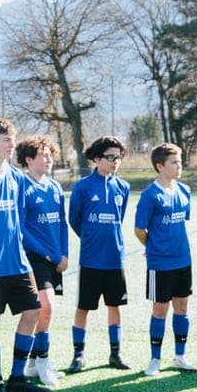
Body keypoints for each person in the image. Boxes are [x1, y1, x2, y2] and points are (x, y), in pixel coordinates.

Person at [0, 118, 50, 392]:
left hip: (17, 262)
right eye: (6, 139)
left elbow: (17, 219)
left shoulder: (16, 176)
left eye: (12, 139)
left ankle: (17, 377)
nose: (12, 144)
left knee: (32, 311)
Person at [66, 136, 131, 372]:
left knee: (115, 306)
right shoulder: (83, 186)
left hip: (115, 258)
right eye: (110, 157)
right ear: (96, 158)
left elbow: (119, 217)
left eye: (118, 157)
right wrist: (91, 237)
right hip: (91, 259)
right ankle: (78, 355)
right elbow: (74, 219)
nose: (115, 162)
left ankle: (115, 353)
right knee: (84, 307)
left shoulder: (123, 186)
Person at [134, 143, 196, 375]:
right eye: (174, 162)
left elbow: (181, 224)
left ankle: (180, 356)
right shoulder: (150, 195)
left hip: (183, 260)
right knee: (160, 309)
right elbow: (139, 229)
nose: (179, 166)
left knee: (182, 307)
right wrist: (152, 247)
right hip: (159, 264)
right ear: (160, 166)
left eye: (180, 162)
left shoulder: (184, 191)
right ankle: (155, 359)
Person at [16, 135, 68, 387]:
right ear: (29, 159)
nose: (48, 160)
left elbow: (62, 224)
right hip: (35, 257)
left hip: (55, 259)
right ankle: (43, 362)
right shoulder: (22, 186)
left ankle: (34, 363)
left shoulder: (55, 187)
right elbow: (21, 229)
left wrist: (64, 254)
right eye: (43, 155)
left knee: (46, 311)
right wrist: (47, 254)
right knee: (45, 307)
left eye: (50, 155)